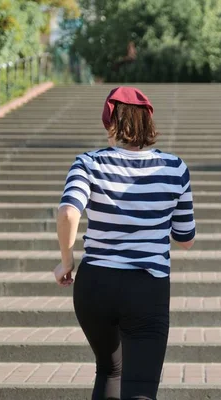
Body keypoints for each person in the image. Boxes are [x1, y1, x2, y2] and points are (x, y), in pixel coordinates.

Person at [54, 87, 196, 400]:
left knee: (109, 369)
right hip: (147, 286)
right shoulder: (174, 169)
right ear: (149, 121)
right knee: (141, 387)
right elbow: (185, 239)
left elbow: (67, 212)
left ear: (110, 124)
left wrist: (67, 261)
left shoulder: (88, 163)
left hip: (95, 283)